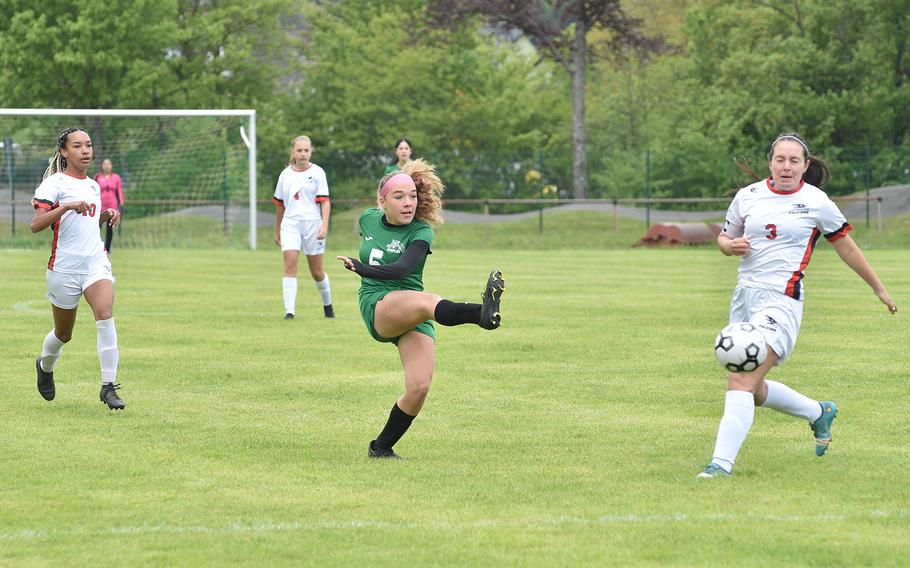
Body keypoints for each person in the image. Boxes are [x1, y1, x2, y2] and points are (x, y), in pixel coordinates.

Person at [698, 133, 898, 478]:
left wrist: (878, 288)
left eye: (794, 160)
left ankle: (720, 465)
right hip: (744, 297)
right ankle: (818, 412)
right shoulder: (749, 196)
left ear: (805, 166)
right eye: (780, 159)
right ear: (770, 162)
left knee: (741, 382)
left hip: (781, 300)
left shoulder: (816, 201)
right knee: (755, 389)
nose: (786, 166)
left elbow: (846, 246)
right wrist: (728, 247)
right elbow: (724, 237)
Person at [337, 159, 505, 459]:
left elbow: (403, 268)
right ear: (382, 200)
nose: (408, 203)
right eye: (399, 196)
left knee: (418, 388)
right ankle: (480, 313)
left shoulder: (421, 233)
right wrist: (364, 268)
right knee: (429, 302)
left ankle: (381, 447)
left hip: (411, 306)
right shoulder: (367, 218)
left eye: (413, 195)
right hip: (378, 303)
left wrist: (360, 266)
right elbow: (376, 249)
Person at [30, 127, 126, 410]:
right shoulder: (54, 184)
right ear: (64, 152)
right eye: (78, 146)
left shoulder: (94, 185)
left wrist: (106, 214)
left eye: (88, 145)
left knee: (105, 315)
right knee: (63, 334)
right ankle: (45, 367)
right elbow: (36, 225)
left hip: (95, 262)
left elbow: (85, 225)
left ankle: (108, 387)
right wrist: (66, 207)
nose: (85, 151)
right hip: (64, 268)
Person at [272, 135, 334, 319]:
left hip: (313, 225)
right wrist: (277, 231)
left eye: (306, 150)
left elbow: (325, 202)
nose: (303, 153)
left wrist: (324, 226)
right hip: (290, 224)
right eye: (299, 150)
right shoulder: (285, 175)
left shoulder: (318, 173)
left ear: (311, 151)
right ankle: (289, 312)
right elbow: (280, 205)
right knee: (290, 265)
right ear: (293, 152)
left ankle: (328, 305)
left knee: (317, 272)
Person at [94, 158, 124, 253]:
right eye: (104, 164)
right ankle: (95, 247)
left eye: (108, 164)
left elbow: (119, 192)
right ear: (102, 166)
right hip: (100, 208)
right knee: (96, 228)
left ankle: (107, 250)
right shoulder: (98, 177)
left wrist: (121, 204)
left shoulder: (116, 178)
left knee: (109, 230)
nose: (106, 165)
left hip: (112, 208)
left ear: (111, 166)